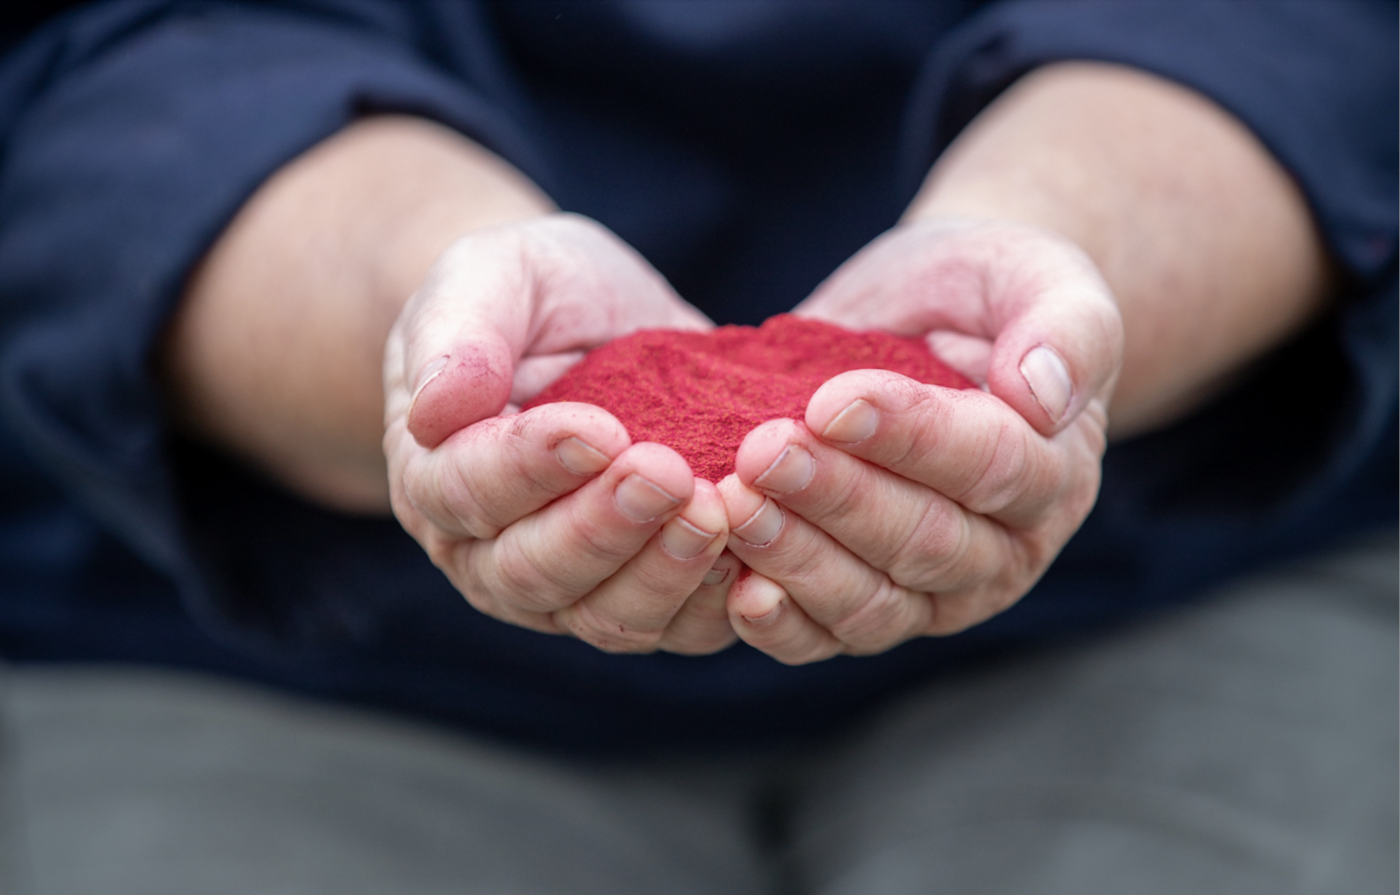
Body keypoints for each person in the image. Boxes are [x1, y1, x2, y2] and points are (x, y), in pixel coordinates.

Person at [0, 1, 1393, 892]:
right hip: (269, 661)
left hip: (1185, 584)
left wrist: (1068, 256)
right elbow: (91, 81)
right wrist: (420, 317)